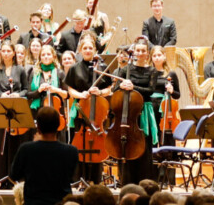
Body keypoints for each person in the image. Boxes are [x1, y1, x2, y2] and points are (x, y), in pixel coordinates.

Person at [10, 106, 79, 205]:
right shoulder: (71, 151)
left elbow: (14, 175)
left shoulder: (26, 149)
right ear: (58, 126)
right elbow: (71, 178)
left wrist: (35, 145)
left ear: (38, 127)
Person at [64, 34, 110, 183]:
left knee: (97, 142)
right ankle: (80, 180)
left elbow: (109, 89)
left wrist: (100, 92)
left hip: (98, 112)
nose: (88, 50)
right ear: (81, 50)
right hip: (81, 110)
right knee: (80, 143)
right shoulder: (74, 68)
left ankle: (96, 179)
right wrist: (81, 94)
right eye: (85, 48)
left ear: (95, 50)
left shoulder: (102, 67)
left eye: (90, 48)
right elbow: (70, 89)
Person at [117, 38, 163, 185]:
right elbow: (115, 89)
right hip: (128, 112)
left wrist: (133, 87)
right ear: (134, 52)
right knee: (128, 145)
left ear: (147, 53)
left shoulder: (152, 71)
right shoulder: (125, 70)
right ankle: (127, 182)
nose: (140, 53)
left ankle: (144, 182)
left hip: (144, 111)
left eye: (143, 51)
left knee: (144, 146)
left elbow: (150, 90)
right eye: (138, 50)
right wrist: (121, 86)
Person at [0, 40, 30, 181]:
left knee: (15, 144)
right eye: (3, 51)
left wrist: (18, 94)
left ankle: (14, 178)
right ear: (0, 53)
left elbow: (26, 89)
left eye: (8, 51)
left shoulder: (20, 69)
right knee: (1, 145)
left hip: (16, 110)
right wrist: (0, 95)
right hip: (0, 109)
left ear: (13, 53)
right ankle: (2, 179)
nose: (6, 54)